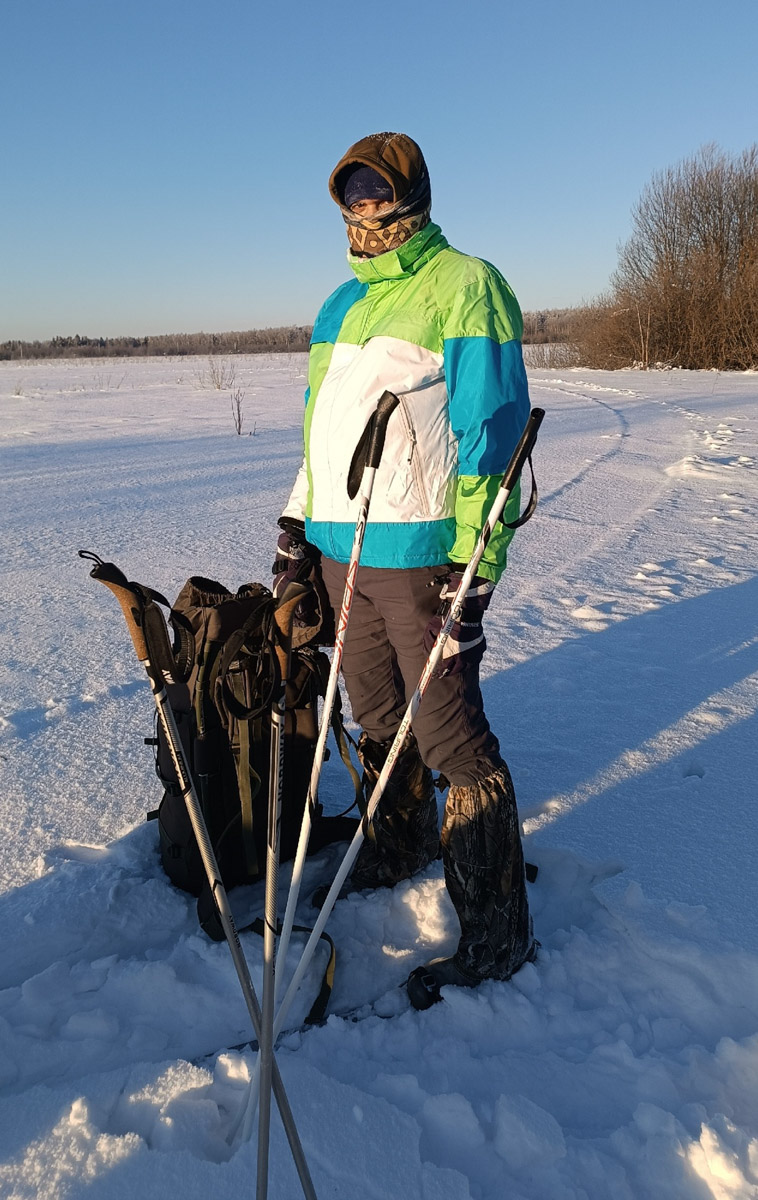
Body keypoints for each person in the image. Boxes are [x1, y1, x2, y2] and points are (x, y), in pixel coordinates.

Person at [273, 131, 536, 1008]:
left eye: (378, 191)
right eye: (350, 191)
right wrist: (294, 526)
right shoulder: (337, 307)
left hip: (423, 554)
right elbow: (322, 433)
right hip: (341, 552)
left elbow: (492, 438)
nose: (364, 207)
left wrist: (477, 563)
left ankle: (497, 932)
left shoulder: (466, 286)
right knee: (376, 711)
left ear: (411, 195)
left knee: (451, 733)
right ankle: (397, 846)